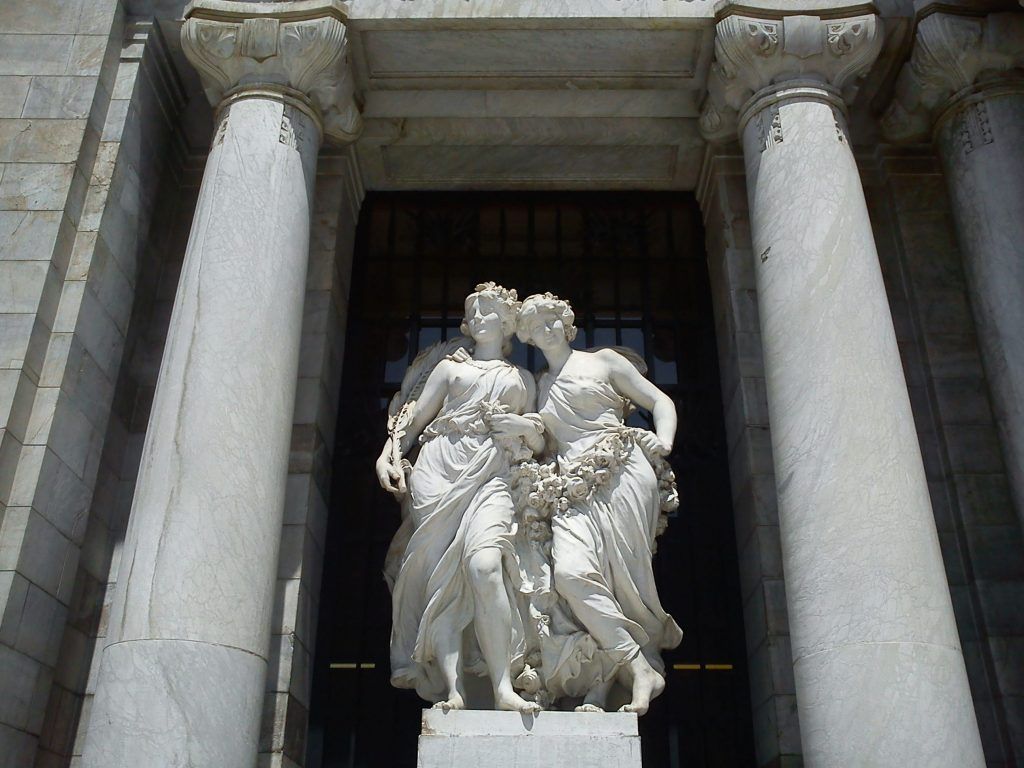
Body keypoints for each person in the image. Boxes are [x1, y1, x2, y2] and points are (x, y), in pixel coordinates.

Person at [376, 283, 544, 714]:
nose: (478, 317)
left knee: (484, 566)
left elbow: (540, 443)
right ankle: (453, 689)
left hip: (492, 474)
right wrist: (386, 456)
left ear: (505, 321)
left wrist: (522, 427)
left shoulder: (521, 379)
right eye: (473, 311)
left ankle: (503, 686)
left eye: (487, 310)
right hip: (438, 471)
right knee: (440, 579)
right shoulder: (449, 369)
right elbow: (413, 422)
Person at [516, 292, 683, 715]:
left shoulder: (605, 361)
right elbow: (541, 445)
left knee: (619, 583)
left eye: (551, 320)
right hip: (570, 487)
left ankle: (605, 686)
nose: (545, 329)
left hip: (622, 473)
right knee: (571, 575)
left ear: (567, 323)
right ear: (528, 338)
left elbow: (660, 401)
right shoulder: (539, 387)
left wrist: (662, 440)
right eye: (534, 327)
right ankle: (639, 667)